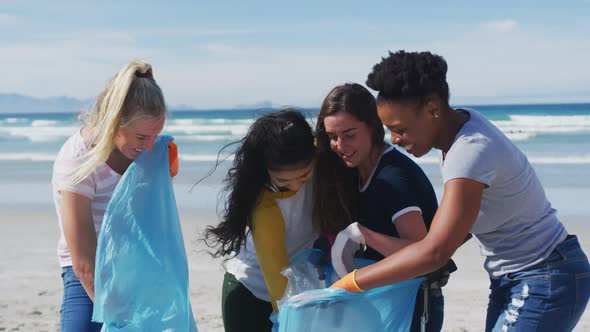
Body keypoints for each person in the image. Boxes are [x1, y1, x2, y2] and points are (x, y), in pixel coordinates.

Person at [331, 50, 590, 331]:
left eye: (400, 129)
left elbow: (435, 253)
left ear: (433, 109)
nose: (394, 139)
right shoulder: (459, 128)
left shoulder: (469, 151)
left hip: (544, 274)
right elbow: (454, 230)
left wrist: (350, 283)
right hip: (515, 276)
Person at [314, 83, 447, 332]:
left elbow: (422, 252)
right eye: (333, 137)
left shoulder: (393, 178)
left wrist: (365, 236)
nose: (340, 146)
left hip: (413, 306)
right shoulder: (354, 170)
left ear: (373, 126)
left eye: (349, 135)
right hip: (381, 302)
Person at [52, 60, 169, 331]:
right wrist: (115, 317)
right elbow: (82, 260)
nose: (150, 145)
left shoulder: (149, 150)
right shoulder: (79, 159)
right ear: (114, 122)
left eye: (156, 134)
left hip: (136, 263)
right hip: (87, 267)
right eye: (142, 137)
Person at [204, 110, 318, 332]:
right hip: (250, 295)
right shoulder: (264, 205)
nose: (296, 186)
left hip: (299, 288)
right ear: (265, 170)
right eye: (284, 181)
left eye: (304, 175)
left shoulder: (323, 168)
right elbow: (279, 282)